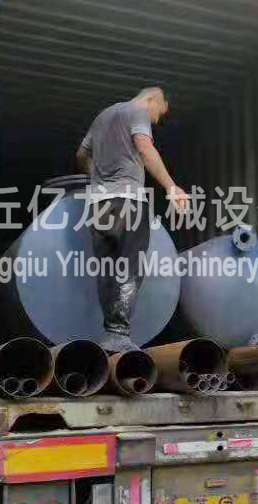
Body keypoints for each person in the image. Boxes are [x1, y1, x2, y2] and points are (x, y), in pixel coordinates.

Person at [76, 87, 189, 354]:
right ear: (152, 99)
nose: (155, 121)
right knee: (131, 267)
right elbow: (146, 149)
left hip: (98, 205)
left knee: (106, 269)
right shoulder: (137, 112)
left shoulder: (102, 116)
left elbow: (81, 154)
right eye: (158, 113)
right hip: (128, 201)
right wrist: (172, 187)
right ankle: (118, 334)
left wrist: (98, 179)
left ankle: (111, 334)